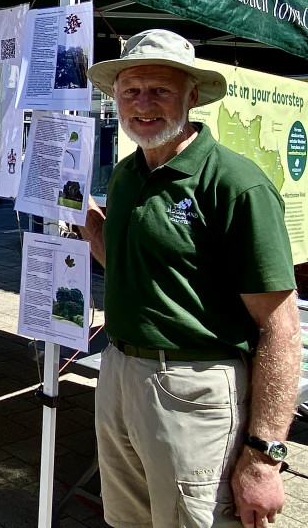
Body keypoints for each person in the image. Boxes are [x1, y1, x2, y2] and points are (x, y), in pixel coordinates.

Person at [79, 29, 300, 528]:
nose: (142, 104)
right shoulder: (127, 173)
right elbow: (133, 266)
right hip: (118, 375)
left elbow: (282, 329)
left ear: (191, 96)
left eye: (159, 90)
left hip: (193, 389)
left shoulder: (234, 184)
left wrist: (264, 456)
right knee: (126, 521)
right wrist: (90, 225)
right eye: (130, 91)